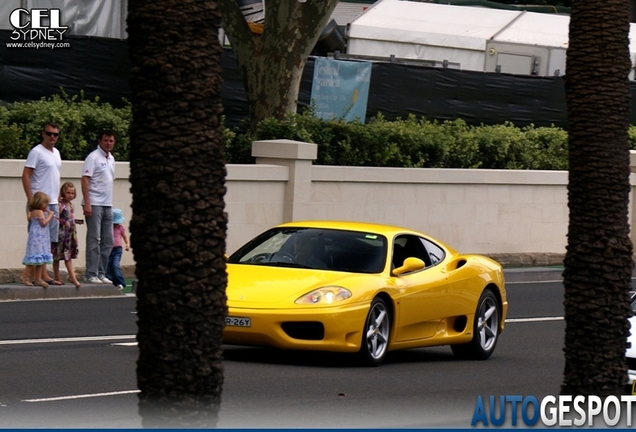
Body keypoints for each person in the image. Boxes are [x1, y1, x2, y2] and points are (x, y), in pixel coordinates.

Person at [20, 123, 62, 285]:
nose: (52, 137)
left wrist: (57, 199)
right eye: (49, 133)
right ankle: (32, 276)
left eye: (55, 134)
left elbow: (55, 177)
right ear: (43, 134)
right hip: (39, 203)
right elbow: (25, 175)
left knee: (48, 240)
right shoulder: (36, 152)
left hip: (52, 202)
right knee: (36, 241)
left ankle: (43, 275)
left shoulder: (56, 153)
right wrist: (31, 199)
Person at [81, 130, 116, 284]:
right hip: (94, 203)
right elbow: (85, 180)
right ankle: (91, 273)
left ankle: (101, 273)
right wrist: (87, 202)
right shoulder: (93, 157)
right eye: (106, 140)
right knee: (94, 239)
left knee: (108, 240)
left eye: (111, 141)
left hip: (107, 204)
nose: (108, 143)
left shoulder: (111, 158)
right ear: (100, 141)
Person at [22, 192, 55, 288]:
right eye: (45, 204)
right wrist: (50, 215)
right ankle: (24, 277)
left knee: (40, 259)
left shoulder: (32, 211)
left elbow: (29, 219)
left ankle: (38, 278)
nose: (46, 206)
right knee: (34, 259)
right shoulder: (39, 212)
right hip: (39, 238)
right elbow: (43, 223)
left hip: (39, 237)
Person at [52, 181, 83, 288]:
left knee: (68, 256)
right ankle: (57, 276)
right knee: (57, 256)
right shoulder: (60, 205)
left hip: (69, 234)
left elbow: (70, 217)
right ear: (63, 193)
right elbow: (57, 217)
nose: (70, 195)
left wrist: (75, 221)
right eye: (68, 193)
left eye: (72, 193)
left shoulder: (71, 205)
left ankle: (72, 277)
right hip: (61, 234)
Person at [106, 208, 130, 290]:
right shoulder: (108, 228)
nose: (116, 224)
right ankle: (110, 281)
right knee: (108, 266)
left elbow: (125, 237)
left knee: (115, 265)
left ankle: (120, 282)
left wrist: (127, 244)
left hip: (117, 250)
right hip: (109, 249)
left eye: (117, 223)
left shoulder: (120, 228)